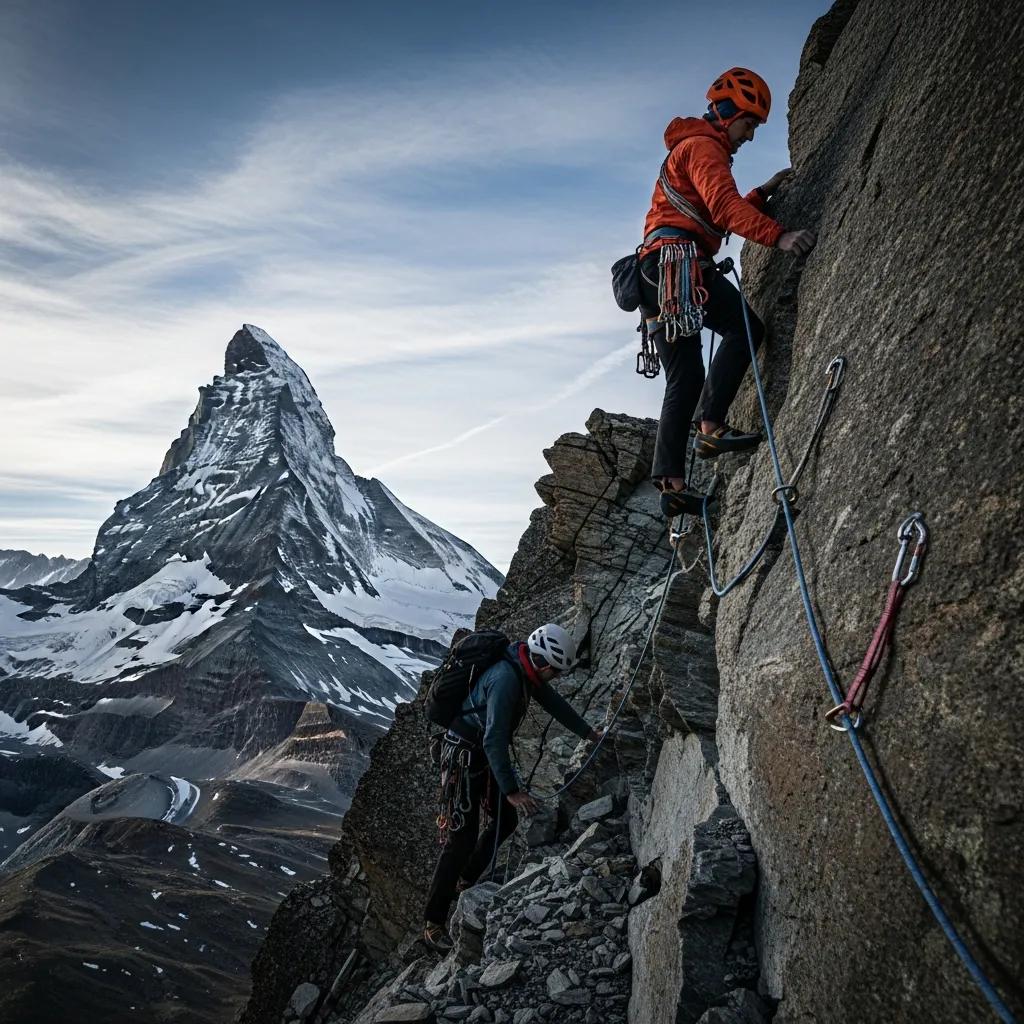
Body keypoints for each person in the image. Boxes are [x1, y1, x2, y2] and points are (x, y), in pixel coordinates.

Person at [638, 67, 818, 517]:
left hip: (656, 275)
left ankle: (673, 485)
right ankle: (712, 426)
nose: (751, 135)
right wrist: (778, 235)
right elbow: (722, 207)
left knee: (684, 378)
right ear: (727, 113)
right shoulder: (703, 147)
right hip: (679, 267)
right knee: (744, 329)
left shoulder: (692, 148)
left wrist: (760, 195)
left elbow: (712, 213)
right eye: (749, 123)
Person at [423, 623, 601, 952]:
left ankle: (466, 879)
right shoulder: (507, 679)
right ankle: (433, 922)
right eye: (556, 672)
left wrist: (589, 733)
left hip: (476, 751)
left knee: (507, 820)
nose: (556, 678)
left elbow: (554, 704)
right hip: (464, 754)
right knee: (461, 838)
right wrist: (511, 791)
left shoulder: (522, 667)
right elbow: (494, 740)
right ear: (546, 665)